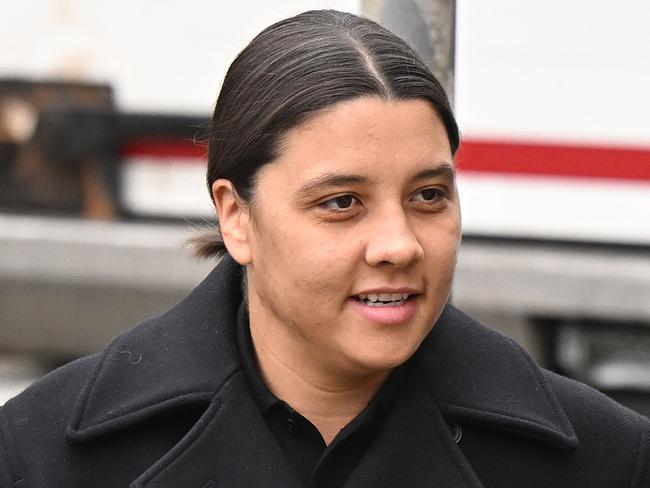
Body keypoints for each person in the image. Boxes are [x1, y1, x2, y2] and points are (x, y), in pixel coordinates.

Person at [0, 9, 648, 488]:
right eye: (341, 203)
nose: (399, 245)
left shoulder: (605, 461)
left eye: (428, 196)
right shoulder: (40, 456)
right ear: (237, 218)